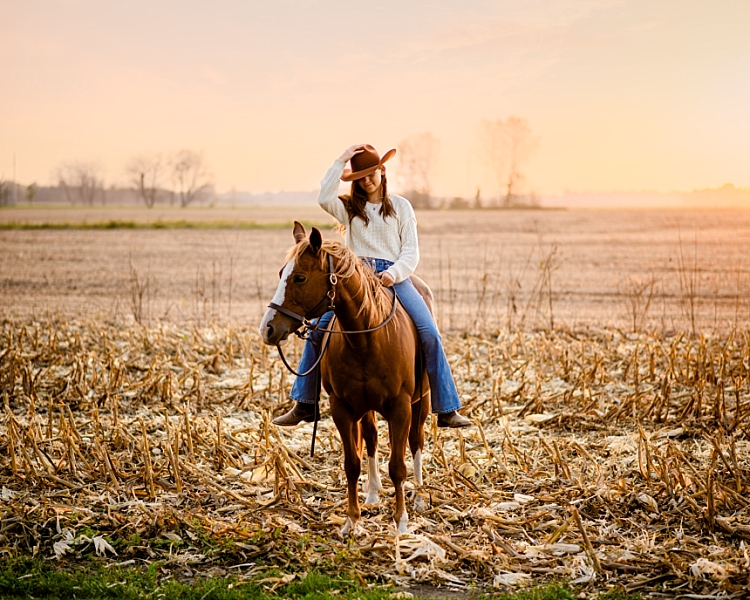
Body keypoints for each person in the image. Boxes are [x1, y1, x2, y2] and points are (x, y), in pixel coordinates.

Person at [273, 144, 471, 428]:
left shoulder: (402, 206)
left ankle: (446, 408)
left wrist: (395, 273)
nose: (367, 181)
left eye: (371, 174)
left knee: (429, 333)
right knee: (318, 332)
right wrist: (341, 160)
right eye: (360, 177)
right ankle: (304, 403)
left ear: (382, 171)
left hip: (394, 278)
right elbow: (323, 196)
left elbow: (411, 251)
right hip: (356, 280)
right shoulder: (350, 209)